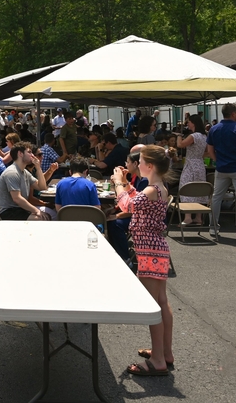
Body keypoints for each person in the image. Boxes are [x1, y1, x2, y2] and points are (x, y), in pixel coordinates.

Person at [112, 145, 173, 376]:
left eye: (141, 161)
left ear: (150, 165)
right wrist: (127, 184)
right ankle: (165, 352)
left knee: (153, 307)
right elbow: (137, 199)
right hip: (157, 249)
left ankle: (158, 360)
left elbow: (127, 205)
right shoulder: (157, 188)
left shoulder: (151, 190)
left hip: (149, 252)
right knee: (162, 302)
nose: (137, 164)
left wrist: (118, 181)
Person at [0, 142, 48, 221]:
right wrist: (36, 210)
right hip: (7, 211)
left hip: (18, 208)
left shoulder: (24, 172)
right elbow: (17, 198)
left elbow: (42, 187)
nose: (32, 155)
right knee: (40, 218)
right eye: (29, 152)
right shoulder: (12, 172)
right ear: (20, 153)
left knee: (47, 216)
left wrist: (38, 168)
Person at [206, 102, 236, 236]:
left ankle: (213, 226)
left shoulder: (214, 129)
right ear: (233, 114)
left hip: (221, 168)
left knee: (216, 198)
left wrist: (217, 160)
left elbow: (210, 149)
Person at [177, 114, 208, 226]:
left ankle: (188, 216)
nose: (188, 124)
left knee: (186, 188)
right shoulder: (204, 136)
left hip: (190, 164)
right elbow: (207, 151)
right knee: (198, 190)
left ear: (193, 123)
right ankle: (198, 217)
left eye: (189, 122)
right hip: (200, 164)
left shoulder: (194, 136)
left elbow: (180, 145)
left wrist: (179, 136)